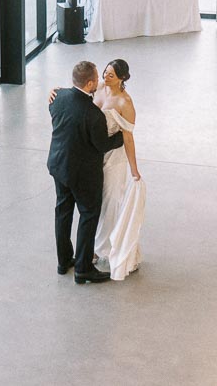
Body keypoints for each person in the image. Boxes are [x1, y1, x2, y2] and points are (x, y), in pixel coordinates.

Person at [47, 60, 124, 285]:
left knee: (63, 212)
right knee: (89, 214)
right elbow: (101, 145)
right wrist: (120, 135)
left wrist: (53, 90)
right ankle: (83, 268)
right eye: (97, 78)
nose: (100, 80)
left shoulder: (57, 98)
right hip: (82, 173)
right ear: (90, 83)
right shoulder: (93, 115)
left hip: (58, 166)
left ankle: (64, 261)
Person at [92, 59, 146, 280]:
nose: (106, 77)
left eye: (111, 75)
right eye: (105, 72)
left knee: (110, 202)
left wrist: (134, 169)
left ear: (122, 78)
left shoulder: (125, 103)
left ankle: (100, 249)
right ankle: (96, 244)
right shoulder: (99, 88)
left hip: (115, 158)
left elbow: (128, 139)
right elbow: (78, 89)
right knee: (95, 201)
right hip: (95, 153)